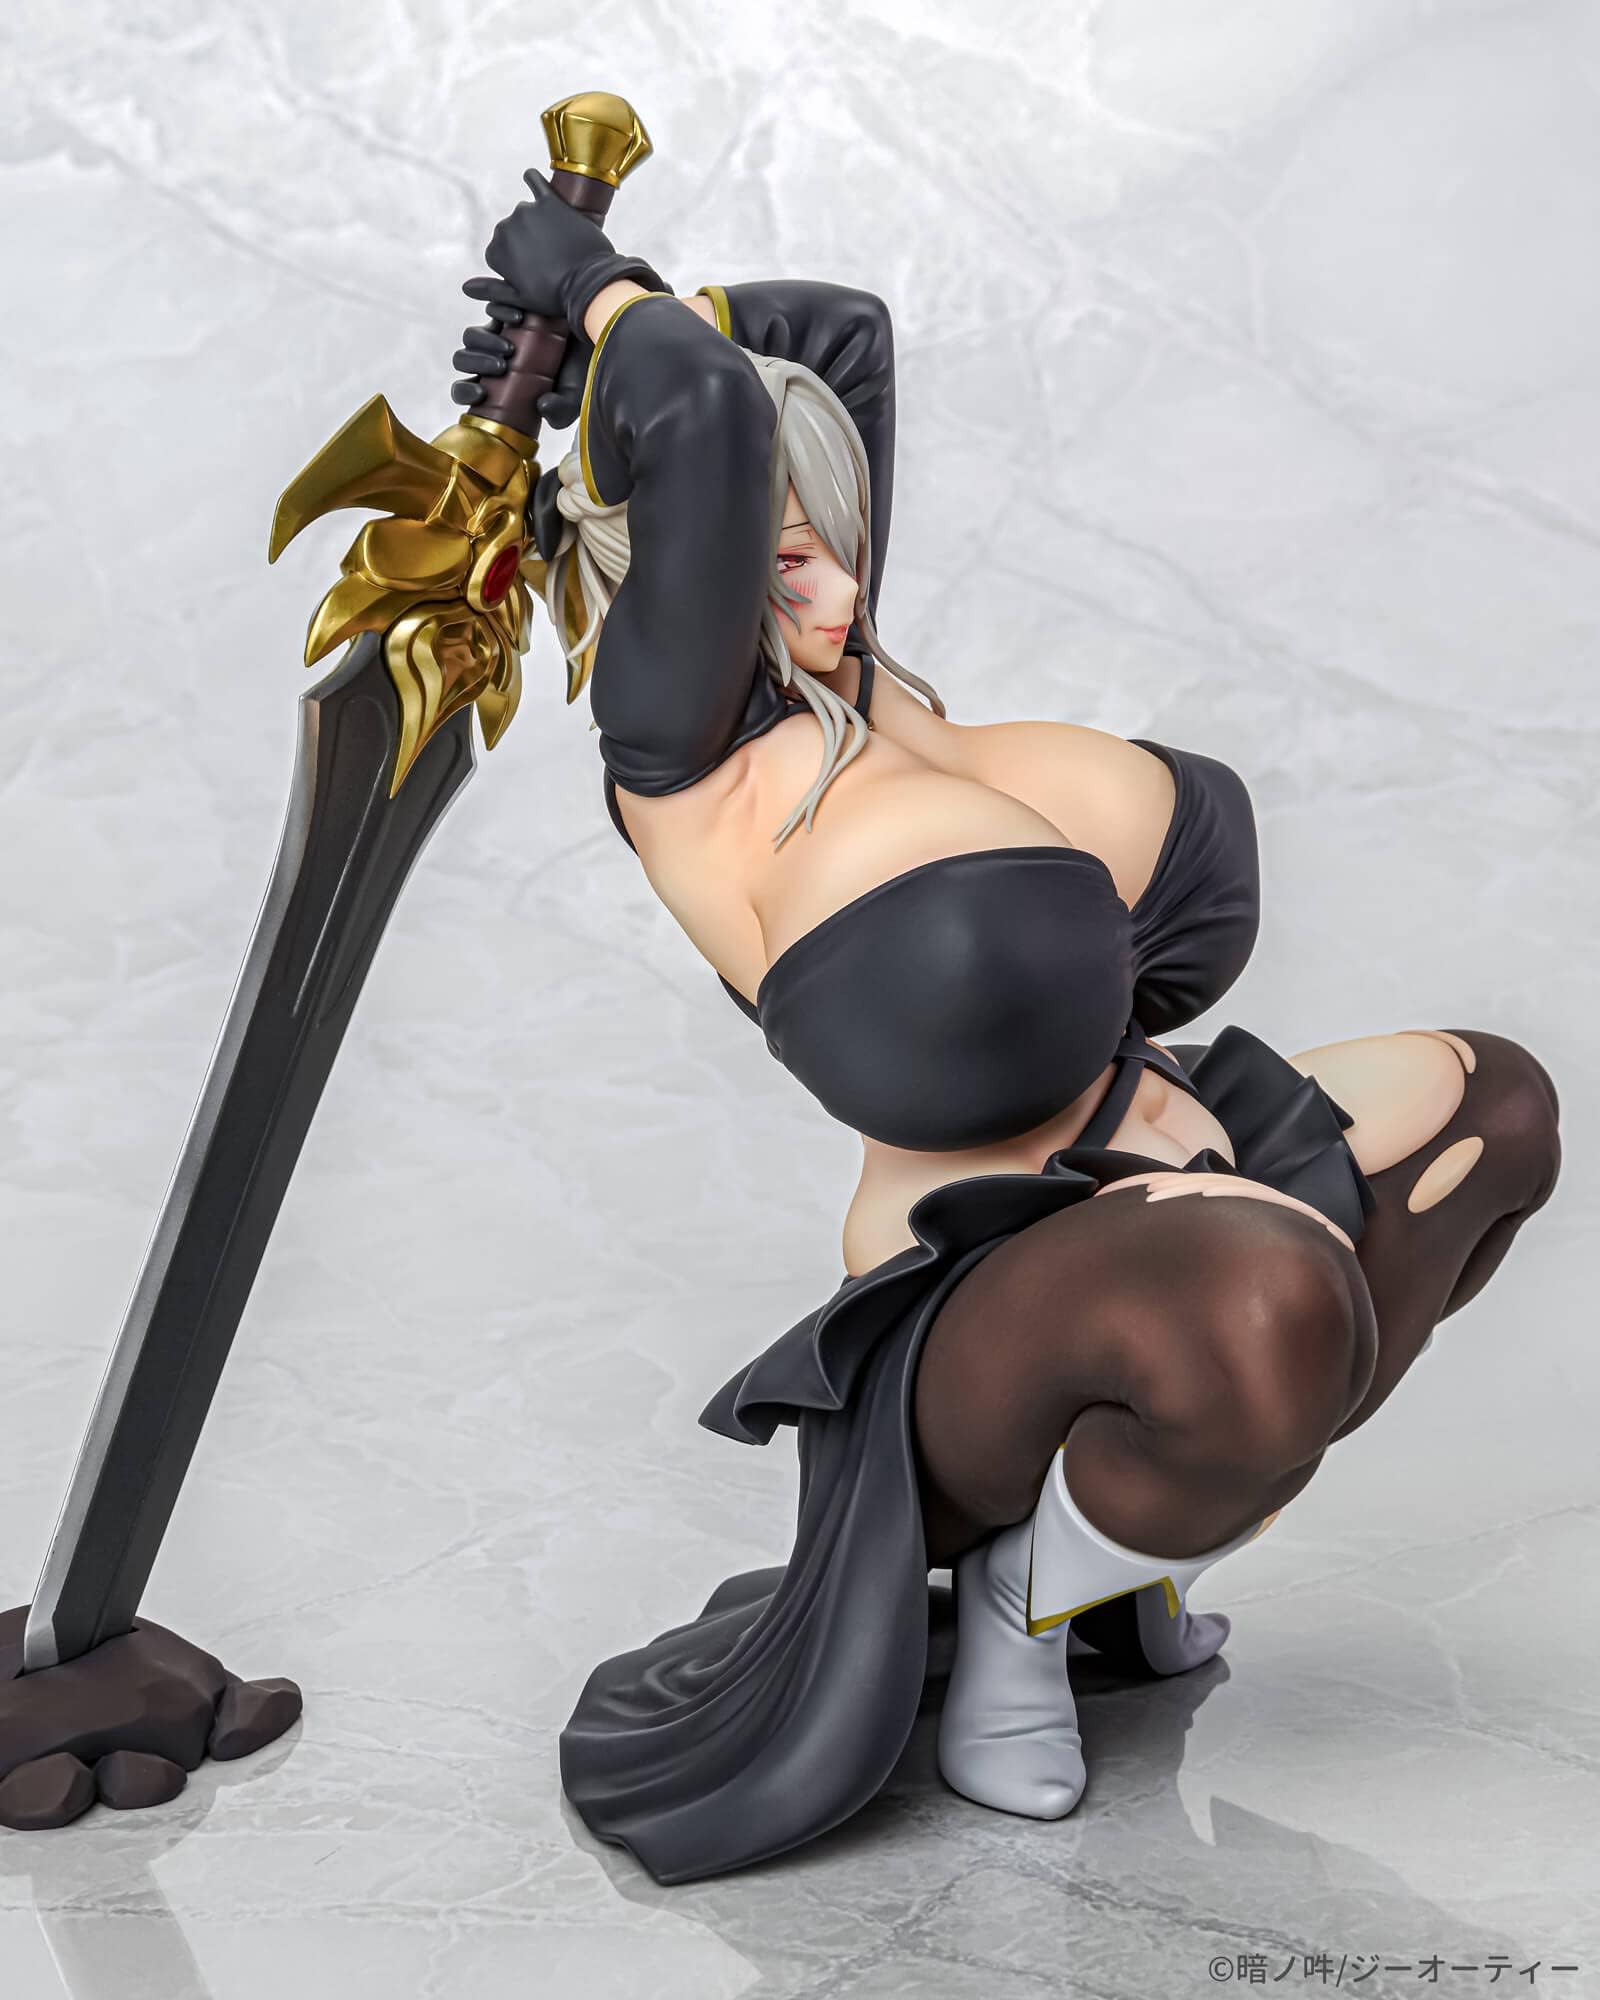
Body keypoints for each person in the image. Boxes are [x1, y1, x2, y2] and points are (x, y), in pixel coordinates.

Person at [451, 174, 1563, 1886]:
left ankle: (1151, 1532)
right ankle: (1030, 1605)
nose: (831, 581)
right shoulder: (685, 759)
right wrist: (589, 288)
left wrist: (619, 325)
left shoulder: (867, 678)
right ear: (669, 566)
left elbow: (833, 340)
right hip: (984, 1302)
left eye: (832, 543)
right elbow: (706, 410)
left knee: (1500, 1112)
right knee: (1272, 1301)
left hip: (1177, 1158)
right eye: (783, 555)